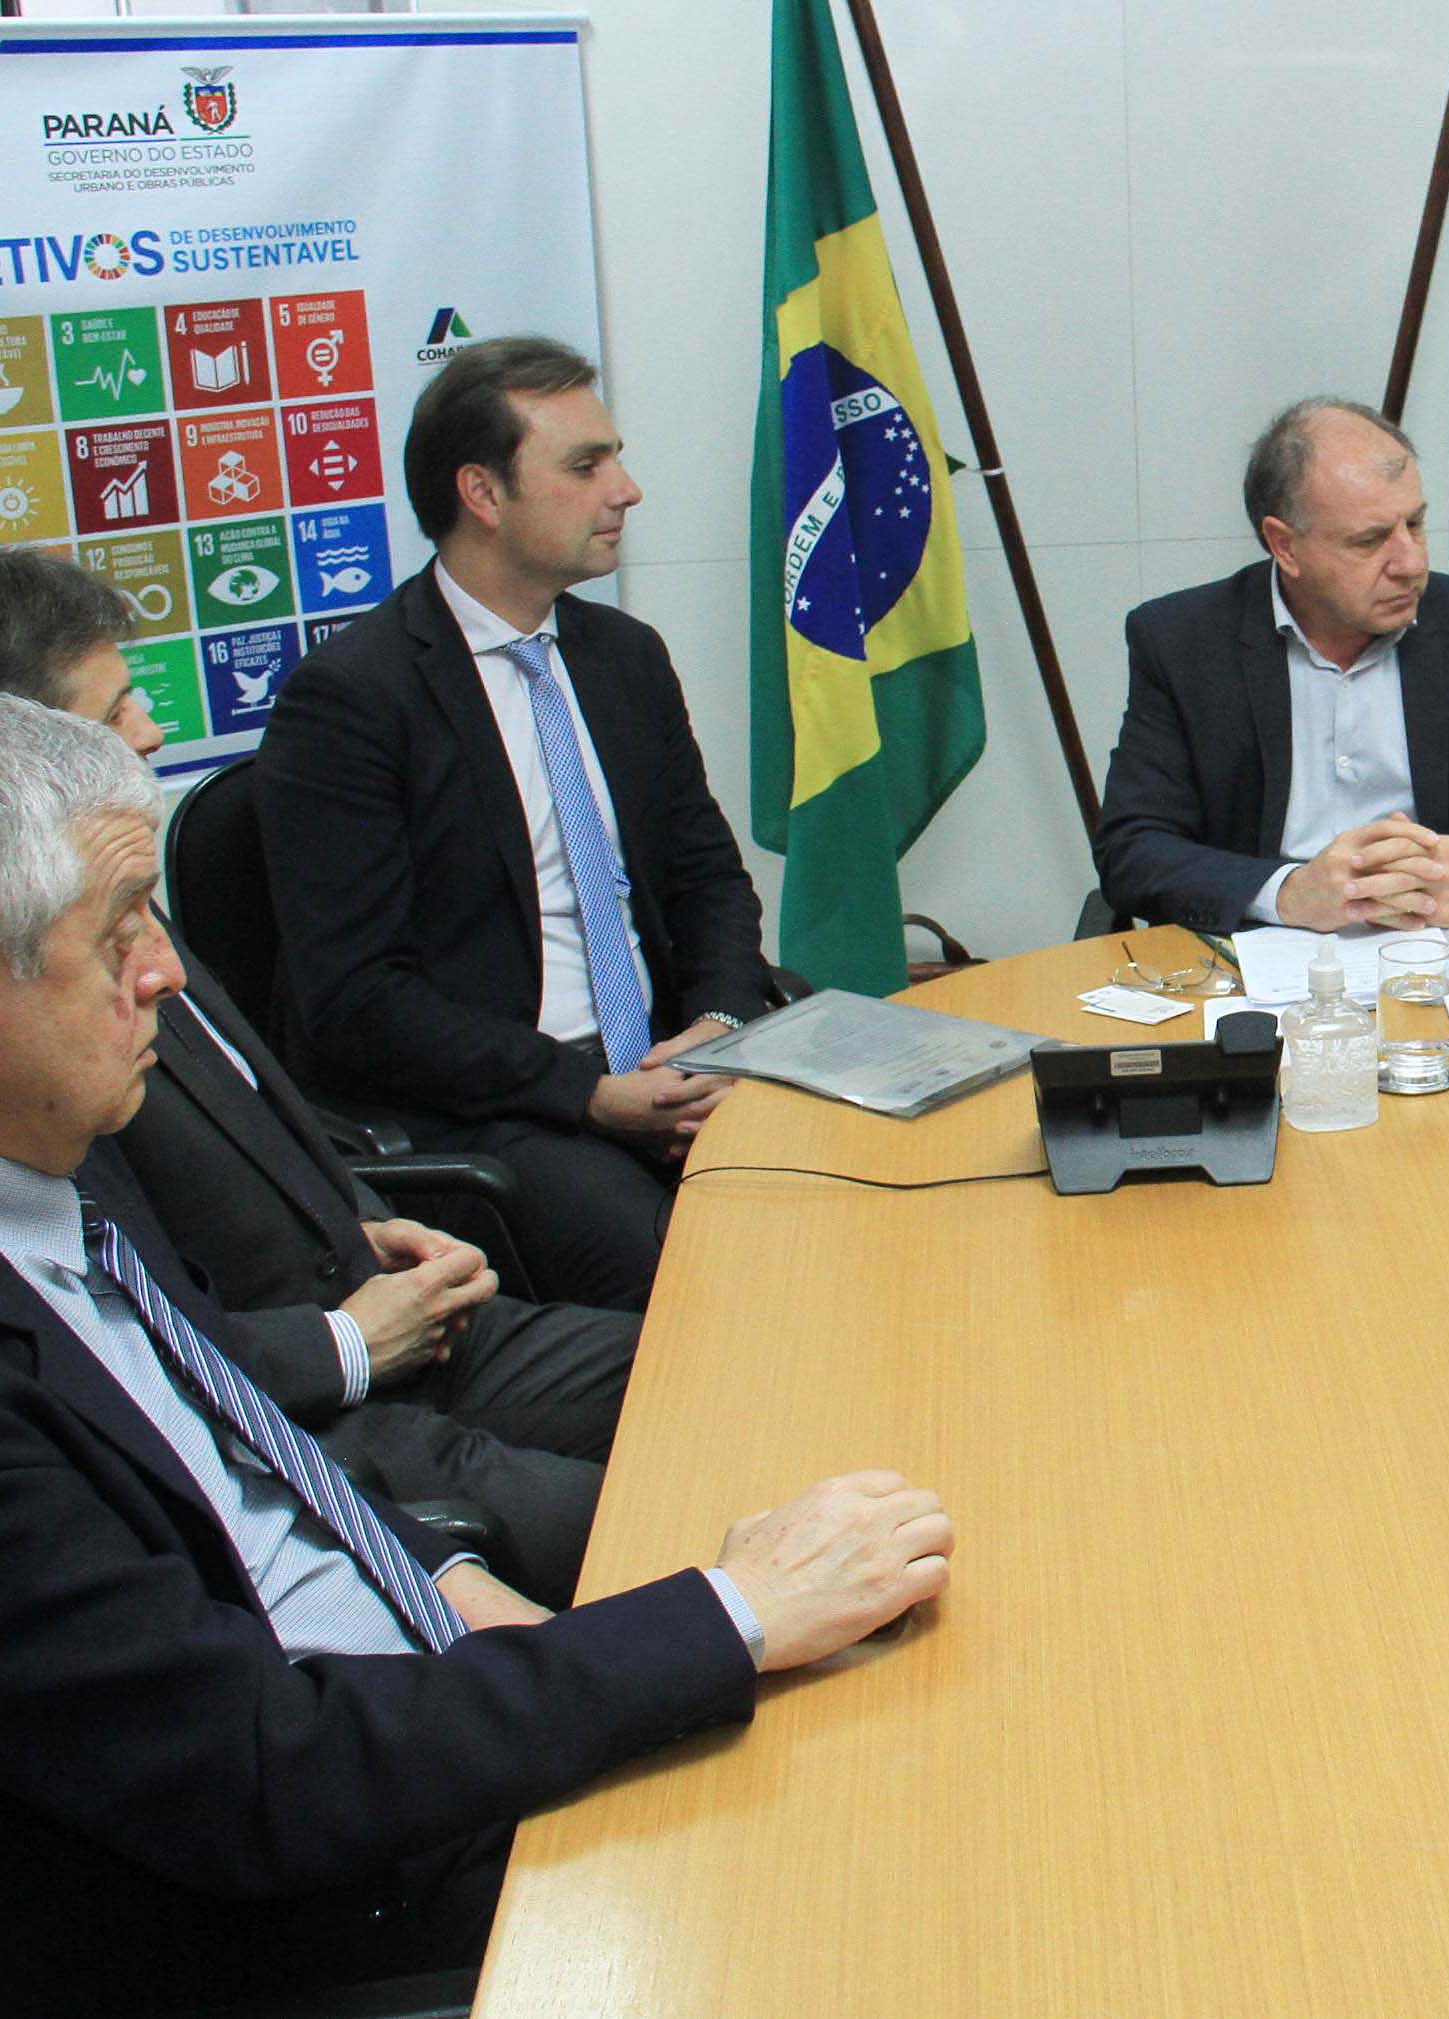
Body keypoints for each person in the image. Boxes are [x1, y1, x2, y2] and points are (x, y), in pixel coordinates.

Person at [0, 694, 951, 2011]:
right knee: (885, 1867)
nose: (165, 965)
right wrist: (728, 1613)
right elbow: (264, 1775)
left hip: (417, 1684)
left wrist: (437, 1569)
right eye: (116, 930)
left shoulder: (64, 1174)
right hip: (349, 1892)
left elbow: (236, 1454)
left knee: (898, 1696)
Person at [0, 547, 638, 1603]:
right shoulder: (49, 1003)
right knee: (668, 1506)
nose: (154, 733)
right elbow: (141, 1345)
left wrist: (363, 1215)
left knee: (728, 1377)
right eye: (119, 712)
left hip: (403, 1314)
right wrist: (344, 1342)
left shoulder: (123, 901)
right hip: (318, 1415)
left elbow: (264, 1117)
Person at [258, 336, 771, 1311]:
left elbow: (709, 880)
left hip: (677, 1064)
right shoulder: (354, 700)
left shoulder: (622, 656)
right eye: (586, 465)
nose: (626, 490)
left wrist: (718, 1027)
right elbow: (358, 1000)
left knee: (876, 1191)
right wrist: (588, 1094)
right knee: (708, 1283)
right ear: (483, 495)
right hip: (508, 1104)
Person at [1093, 397, 1449, 934]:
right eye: (1371, 540)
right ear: (1285, 546)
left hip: (1440, 956)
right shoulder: (1182, 641)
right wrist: (1285, 894)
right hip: (1260, 963)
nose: (1411, 563)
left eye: (1416, 523)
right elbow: (1133, 849)